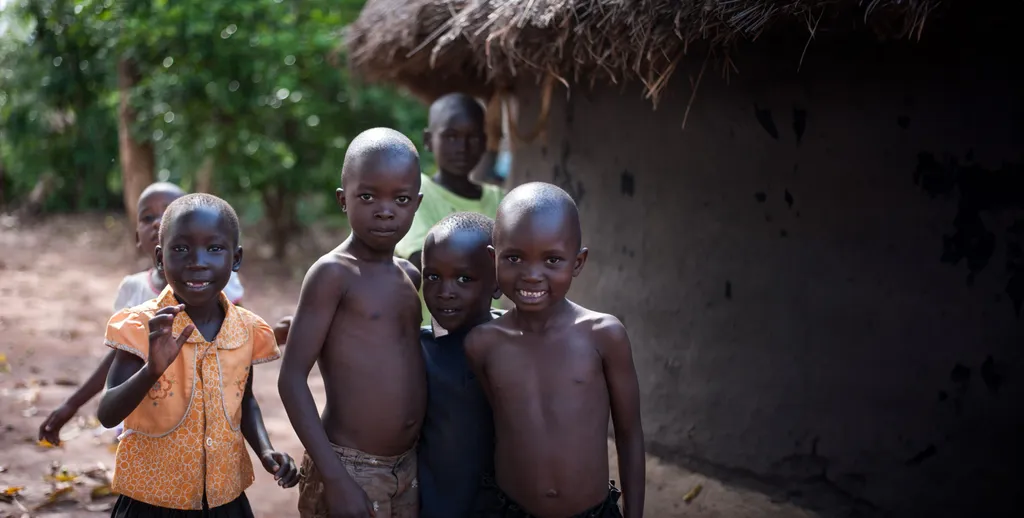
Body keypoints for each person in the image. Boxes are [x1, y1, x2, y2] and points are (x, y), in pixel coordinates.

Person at [96, 193, 299, 517]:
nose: (197, 260)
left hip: (223, 499)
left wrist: (266, 451)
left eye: (214, 248)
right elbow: (107, 414)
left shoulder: (245, 329)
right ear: (161, 258)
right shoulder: (142, 326)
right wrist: (151, 370)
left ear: (236, 259)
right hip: (152, 502)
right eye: (181, 249)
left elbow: (243, 401)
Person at [465, 183, 646, 518]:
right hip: (509, 509)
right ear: (494, 259)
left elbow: (629, 433)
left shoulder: (603, 336)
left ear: (578, 262)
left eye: (552, 260)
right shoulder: (482, 344)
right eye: (514, 258)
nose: (532, 275)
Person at [279, 127, 425, 518]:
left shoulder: (410, 277)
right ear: (344, 200)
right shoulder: (333, 274)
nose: (385, 209)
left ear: (417, 204)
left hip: (408, 466)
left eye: (401, 198)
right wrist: (336, 478)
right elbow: (291, 379)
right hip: (349, 466)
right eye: (367, 196)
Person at [37, 182, 247, 445]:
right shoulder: (133, 291)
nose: (158, 222)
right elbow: (119, 355)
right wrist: (72, 404)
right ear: (137, 236)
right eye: (148, 217)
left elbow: (237, 337)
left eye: (169, 212)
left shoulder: (218, 285)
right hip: (143, 423)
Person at [393, 93, 505, 328]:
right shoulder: (416, 192)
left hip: (487, 334)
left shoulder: (500, 200)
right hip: (431, 335)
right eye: (450, 136)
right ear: (428, 140)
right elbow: (418, 258)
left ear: (485, 141)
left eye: (472, 137)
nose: (462, 147)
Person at [417, 212, 503, 518]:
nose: (445, 291)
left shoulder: (519, 344)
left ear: (497, 284)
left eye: (464, 278)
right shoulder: (420, 350)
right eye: (433, 276)